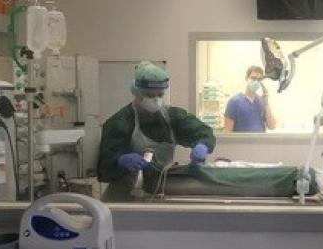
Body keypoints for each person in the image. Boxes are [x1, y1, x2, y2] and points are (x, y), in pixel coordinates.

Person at [96, 61, 216, 200]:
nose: (155, 100)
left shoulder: (172, 117)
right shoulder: (121, 122)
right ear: (137, 92)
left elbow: (202, 131)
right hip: (123, 198)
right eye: (149, 95)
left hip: (159, 191)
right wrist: (119, 162)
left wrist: (203, 145)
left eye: (160, 95)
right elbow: (104, 170)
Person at [223, 65, 277, 133]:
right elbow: (227, 131)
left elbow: (272, 126)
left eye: (259, 79)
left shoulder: (262, 101)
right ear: (246, 78)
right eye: (253, 78)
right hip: (241, 140)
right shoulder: (234, 102)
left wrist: (266, 103)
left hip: (260, 140)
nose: (256, 81)